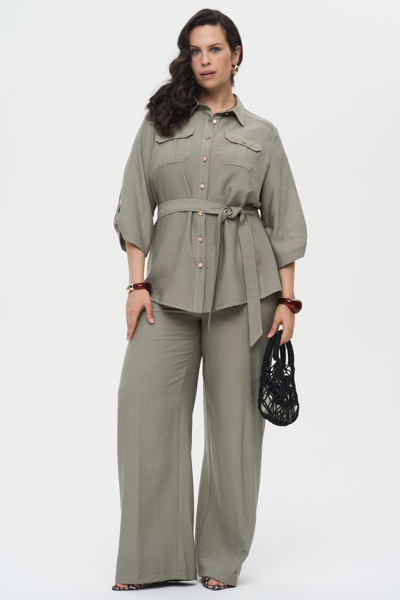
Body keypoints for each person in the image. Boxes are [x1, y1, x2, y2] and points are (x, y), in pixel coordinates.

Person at [111, 8, 307, 592]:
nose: (205, 60)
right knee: (142, 412)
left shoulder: (262, 134)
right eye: (195, 50)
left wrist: (287, 302)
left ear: (236, 55)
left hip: (245, 294)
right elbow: (133, 202)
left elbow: (285, 222)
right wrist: (136, 284)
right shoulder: (160, 124)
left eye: (215, 49)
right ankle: (151, 561)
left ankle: (220, 560)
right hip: (166, 292)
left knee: (235, 431)